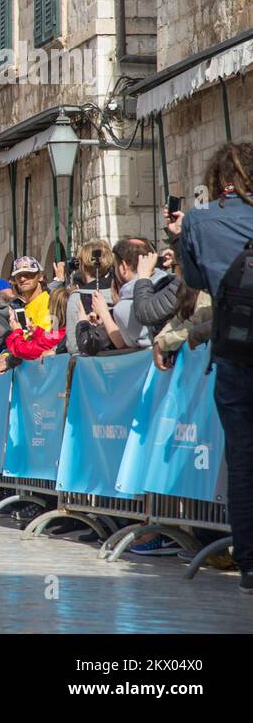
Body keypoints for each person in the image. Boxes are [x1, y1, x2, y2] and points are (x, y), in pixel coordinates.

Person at [173, 141, 253, 594]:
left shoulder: (200, 221)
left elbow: (198, 282)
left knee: (242, 459)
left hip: (235, 350)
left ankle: (250, 562)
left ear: (218, 179)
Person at [8, 256, 53, 331]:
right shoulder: (27, 306)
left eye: (28, 274)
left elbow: (45, 339)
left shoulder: (46, 302)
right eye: (18, 275)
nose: (22, 279)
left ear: (40, 277)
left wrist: (17, 332)